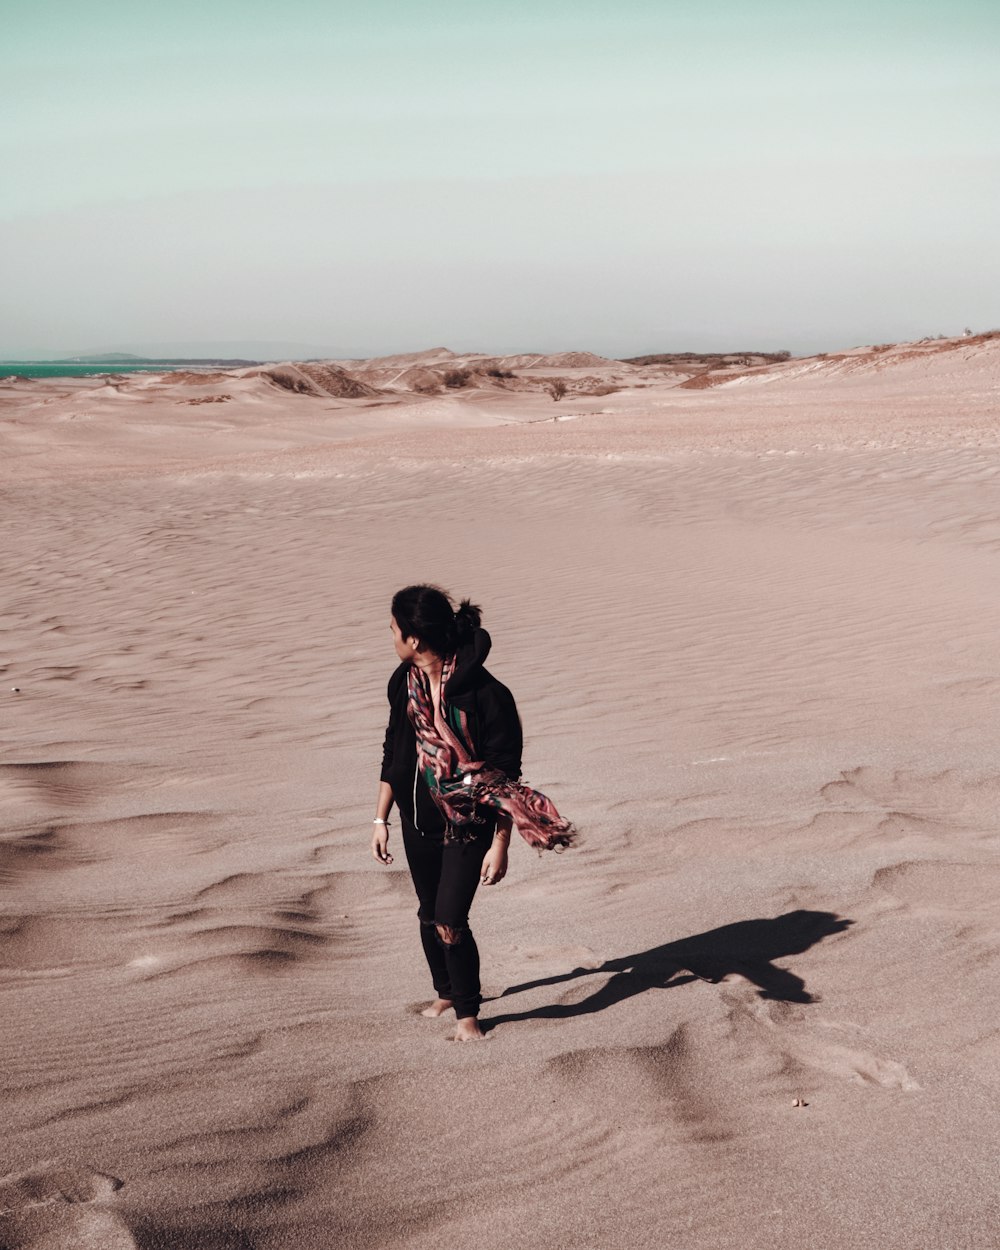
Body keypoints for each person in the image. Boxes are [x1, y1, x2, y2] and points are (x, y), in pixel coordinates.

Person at [372, 584, 575, 1041]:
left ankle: (468, 1014)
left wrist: (500, 845)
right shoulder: (401, 684)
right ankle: (444, 991)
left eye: (392, 630)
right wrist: (379, 819)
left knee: (449, 918)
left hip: (469, 824)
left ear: (415, 639)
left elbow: (505, 777)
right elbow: (394, 752)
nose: (390, 638)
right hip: (416, 820)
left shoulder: (487, 694)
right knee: (428, 913)